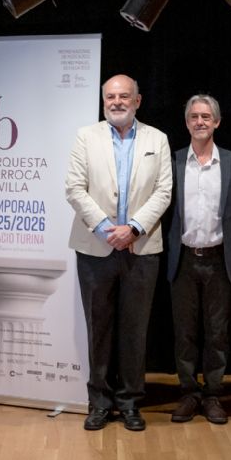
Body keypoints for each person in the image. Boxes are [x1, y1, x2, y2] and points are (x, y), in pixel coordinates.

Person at [65, 74, 172, 431]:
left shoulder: (158, 138)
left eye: (124, 96)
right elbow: (74, 188)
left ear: (137, 101)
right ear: (103, 100)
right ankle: (98, 403)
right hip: (96, 247)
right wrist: (106, 229)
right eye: (110, 96)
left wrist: (134, 228)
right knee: (99, 329)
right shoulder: (86, 137)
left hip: (141, 248)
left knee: (134, 330)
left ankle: (129, 403)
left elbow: (163, 192)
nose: (117, 102)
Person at [167, 94, 231, 425]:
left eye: (206, 116)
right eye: (194, 117)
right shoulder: (171, 162)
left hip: (219, 259)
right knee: (184, 331)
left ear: (217, 121)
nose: (200, 122)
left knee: (217, 332)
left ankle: (213, 394)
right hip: (183, 258)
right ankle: (188, 393)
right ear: (186, 123)